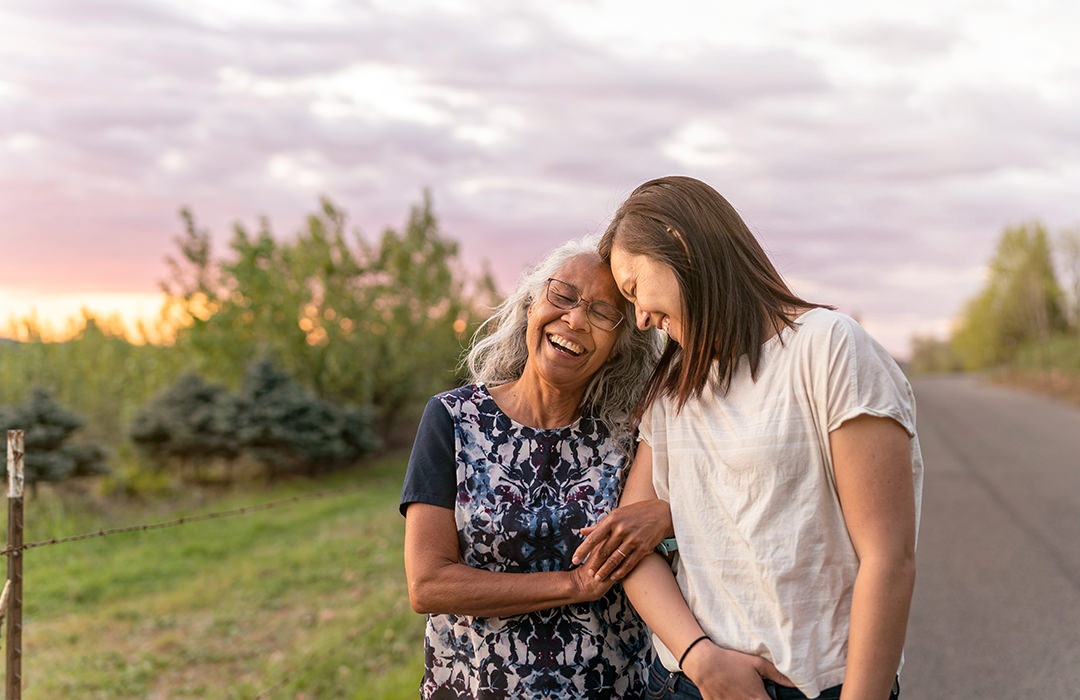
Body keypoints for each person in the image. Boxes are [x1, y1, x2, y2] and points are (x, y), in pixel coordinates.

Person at [579, 175, 923, 700]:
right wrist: (701, 659)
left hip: (816, 686)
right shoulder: (675, 387)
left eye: (634, 290)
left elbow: (888, 559)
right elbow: (632, 551)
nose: (642, 318)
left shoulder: (828, 349)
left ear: (680, 242)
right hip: (686, 682)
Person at [400, 235, 668, 699]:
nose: (576, 319)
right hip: (477, 687)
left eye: (604, 314)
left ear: (622, 346)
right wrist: (573, 584)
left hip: (612, 688)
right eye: (562, 295)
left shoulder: (634, 435)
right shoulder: (453, 419)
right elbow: (428, 583)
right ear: (530, 305)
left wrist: (667, 515)